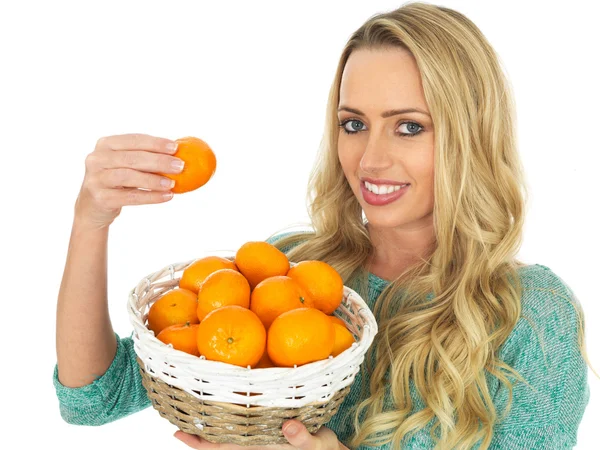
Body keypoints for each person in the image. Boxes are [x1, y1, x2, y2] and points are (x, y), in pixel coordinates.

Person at [53, 2, 593, 449]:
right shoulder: (291, 270)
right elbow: (94, 397)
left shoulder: (528, 316)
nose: (371, 159)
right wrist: (91, 220)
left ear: (469, 136)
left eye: (409, 127)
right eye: (354, 124)